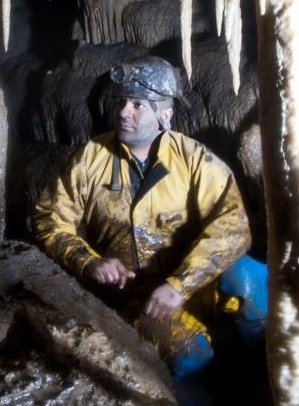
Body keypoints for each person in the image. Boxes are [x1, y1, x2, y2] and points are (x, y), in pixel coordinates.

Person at [32, 55, 266, 382]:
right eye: (122, 102)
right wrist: (88, 262)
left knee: (253, 281)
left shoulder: (194, 158)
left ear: (164, 115)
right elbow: (48, 218)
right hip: (132, 297)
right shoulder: (90, 158)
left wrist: (180, 284)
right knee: (190, 354)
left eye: (138, 105)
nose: (124, 111)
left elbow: (233, 226)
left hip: (190, 281)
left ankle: (256, 374)